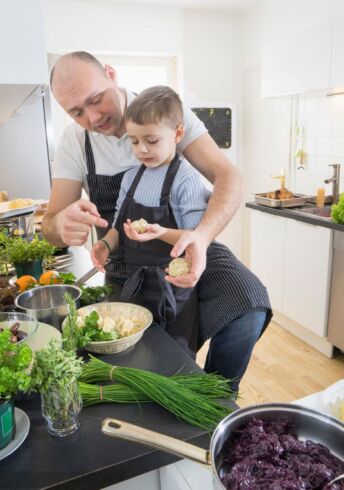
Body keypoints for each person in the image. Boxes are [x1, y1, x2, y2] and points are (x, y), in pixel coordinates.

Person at [43, 51, 272, 394]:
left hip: (188, 244)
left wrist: (201, 236)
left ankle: (213, 398)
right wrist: (61, 224)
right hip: (127, 260)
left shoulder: (165, 112)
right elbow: (49, 224)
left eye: (96, 100)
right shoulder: (74, 142)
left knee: (248, 303)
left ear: (110, 74)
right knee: (145, 355)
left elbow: (229, 176)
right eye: (76, 112)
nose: (92, 117)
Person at [91, 86, 211, 359]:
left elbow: (193, 239)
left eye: (152, 140)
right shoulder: (131, 177)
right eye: (134, 141)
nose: (142, 149)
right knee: (140, 355)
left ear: (178, 133)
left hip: (174, 289)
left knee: (174, 358)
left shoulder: (186, 179)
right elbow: (120, 225)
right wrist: (106, 245)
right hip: (137, 287)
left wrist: (160, 232)